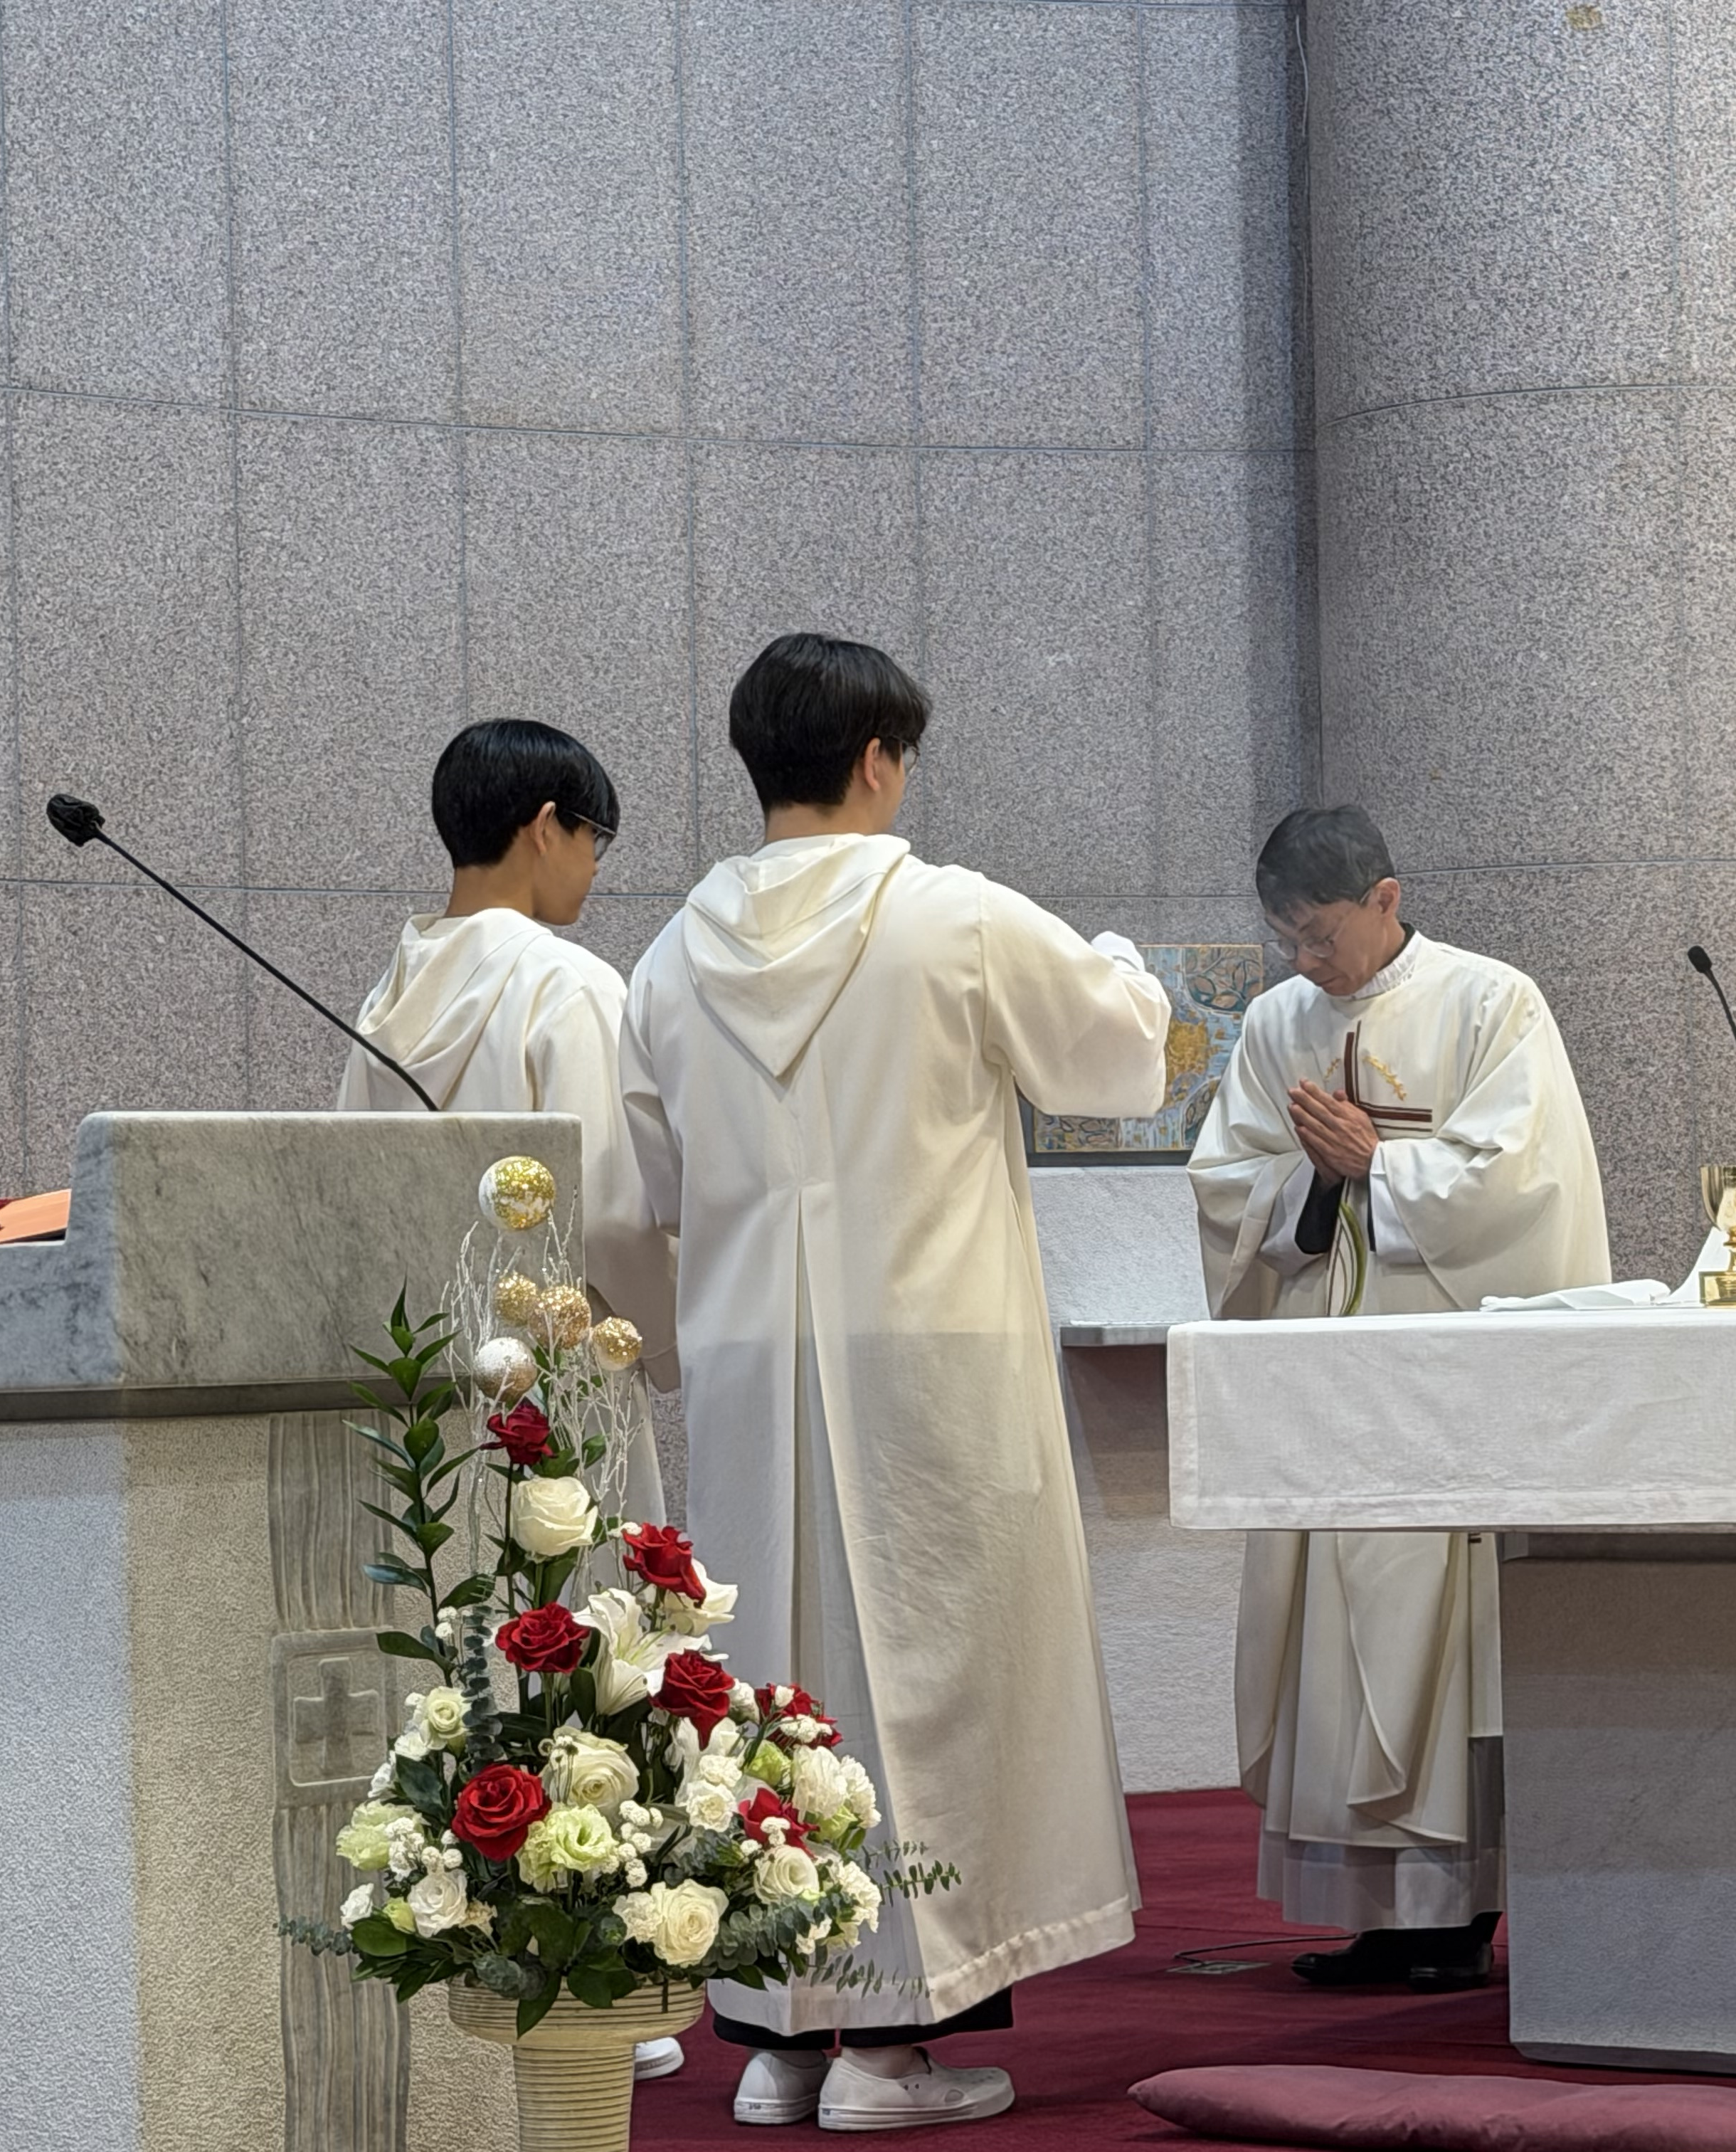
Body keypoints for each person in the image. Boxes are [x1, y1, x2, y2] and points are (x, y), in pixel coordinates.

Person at [620, 632, 1170, 2131]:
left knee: (772, 1692)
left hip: (752, 1371)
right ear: (877, 758)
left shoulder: (668, 961)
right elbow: (1119, 1057)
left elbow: (651, 1180)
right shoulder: (952, 918)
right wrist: (1123, 963)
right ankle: (890, 2053)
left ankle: (782, 2039)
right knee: (929, 1686)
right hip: (931, 1367)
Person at [1187, 805, 1610, 1993]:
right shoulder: (1277, 1024)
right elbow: (1228, 1185)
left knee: (1436, 1631)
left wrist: (1383, 1163)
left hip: (1444, 1384)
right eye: (1287, 938)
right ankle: (1374, 1914)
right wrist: (1314, 1184)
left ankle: (1456, 1915)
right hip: (1328, 1382)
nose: (1305, 961)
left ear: (1386, 898)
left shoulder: (1491, 1003)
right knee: (1330, 1634)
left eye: (1321, 934)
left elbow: (1526, 1184)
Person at [336, 718, 685, 2080]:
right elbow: (614, 1212)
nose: (594, 868)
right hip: (557, 1378)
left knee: (465, 1663)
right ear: (548, 824)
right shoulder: (566, 983)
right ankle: (591, 1975)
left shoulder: (390, 990)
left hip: (433, 1384)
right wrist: (664, 1344)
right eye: (595, 839)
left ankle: (477, 1964)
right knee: (581, 1645)